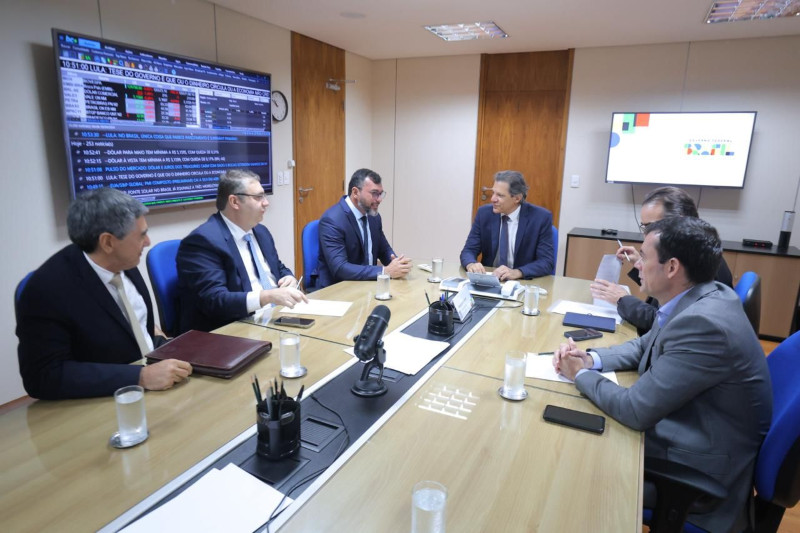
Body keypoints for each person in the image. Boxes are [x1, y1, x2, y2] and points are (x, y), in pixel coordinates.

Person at [554, 217, 772, 532]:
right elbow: (646, 344)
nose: (636, 264)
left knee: (568, 461)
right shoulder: (700, 295)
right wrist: (591, 359)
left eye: (643, 256)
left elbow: (634, 409)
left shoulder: (703, 324)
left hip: (697, 477)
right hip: (693, 432)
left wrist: (579, 376)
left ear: (671, 267)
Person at [16, 188, 192, 400]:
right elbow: (43, 376)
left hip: (156, 380)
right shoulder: (46, 290)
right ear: (108, 242)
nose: (148, 242)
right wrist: (140, 377)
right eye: (141, 235)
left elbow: (139, 334)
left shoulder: (124, 261)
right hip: (101, 399)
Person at [176, 169, 307, 333]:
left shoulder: (261, 232)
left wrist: (289, 277)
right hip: (232, 329)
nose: (266, 203)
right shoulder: (202, 242)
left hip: (276, 317)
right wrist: (267, 296)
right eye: (258, 197)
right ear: (234, 202)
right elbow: (214, 300)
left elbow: (277, 267)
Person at [590, 186, 733, 335]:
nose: (646, 235)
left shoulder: (700, 265)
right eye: (643, 227)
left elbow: (663, 321)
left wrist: (622, 299)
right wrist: (644, 264)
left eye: (651, 227)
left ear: (680, 223)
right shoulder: (689, 252)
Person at [316, 168, 412, 289]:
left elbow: (384, 250)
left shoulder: (373, 217)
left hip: (367, 284)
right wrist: (384, 271)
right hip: (338, 288)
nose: (379, 199)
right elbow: (340, 268)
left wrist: (397, 264)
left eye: (380, 194)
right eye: (374, 193)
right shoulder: (333, 220)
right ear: (355, 192)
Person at [460, 170, 554, 280]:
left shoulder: (540, 218)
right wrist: (471, 264)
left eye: (500, 195)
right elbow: (468, 250)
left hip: (521, 282)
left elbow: (546, 262)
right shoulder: (484, 214)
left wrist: (518, 272)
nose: (493, 199)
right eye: (493, 192)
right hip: (490, 280)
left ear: (517, 198)